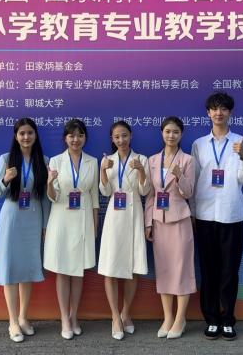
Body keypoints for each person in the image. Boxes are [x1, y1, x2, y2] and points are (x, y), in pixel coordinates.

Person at [191, 92, 243, 341]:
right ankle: (211, 319)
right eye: (214, 109)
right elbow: (194, 181)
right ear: (208, 113)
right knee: (208, 270)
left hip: (232, 214)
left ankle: (228, 319)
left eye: (224, 109)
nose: (219, 113)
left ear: (230, 112)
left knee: (230, 270)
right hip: (205, 214)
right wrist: (193, 213)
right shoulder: (199, 144)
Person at [0, 117, 50, 343]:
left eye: (30, 133)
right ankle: (13, 321)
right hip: (12, 217)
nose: (26, 137)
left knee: (28, 266)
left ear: (35, 135)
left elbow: (45, 198)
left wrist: (45, 225)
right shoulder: (6, 159)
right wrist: (6, 179)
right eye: (22, 133)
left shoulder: (44, 160)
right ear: (16, 136)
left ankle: (24, 317)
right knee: (11, 267)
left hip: (33, 218)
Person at [43, 118, 99, 340]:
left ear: (85, 137)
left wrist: (95, 225)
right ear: (65, 138)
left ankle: (74, 316)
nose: (76, 139)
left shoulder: (92, 161)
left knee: (78, 271)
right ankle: (64, 319)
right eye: (72, 135)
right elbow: (53, 197)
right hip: (62, 221)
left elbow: (94, 196)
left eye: (80, 135)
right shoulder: (56, 161)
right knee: (63, 270)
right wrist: (49, 182)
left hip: (84, 220)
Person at [144, 116, 196, 340]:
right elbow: (150, 195)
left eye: (175, 132)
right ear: (162, 133)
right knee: (164, 270)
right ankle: (167, 317)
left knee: (182, 269)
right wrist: (148, 222)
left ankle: (180, 319)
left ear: (181, 134)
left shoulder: (188, 160)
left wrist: (179, 175)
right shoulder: (152, 160)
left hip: (181, 221)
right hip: (159, 222)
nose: (171, 135)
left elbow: (189, 192)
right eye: (167, 131)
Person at [98, 121, 150, 340]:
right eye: (117, 137)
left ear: (131, 136)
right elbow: (105, 191)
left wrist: (140, 171)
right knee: (110, 266)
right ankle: (115, 316)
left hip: (134, 212)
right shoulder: (107, 160)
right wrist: (103, 170)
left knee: (132, 265)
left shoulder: (142, 159)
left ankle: (126, 313)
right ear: (112, 139)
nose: (121, 140)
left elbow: (145, 190)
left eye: (125, 135)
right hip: (114, 215)